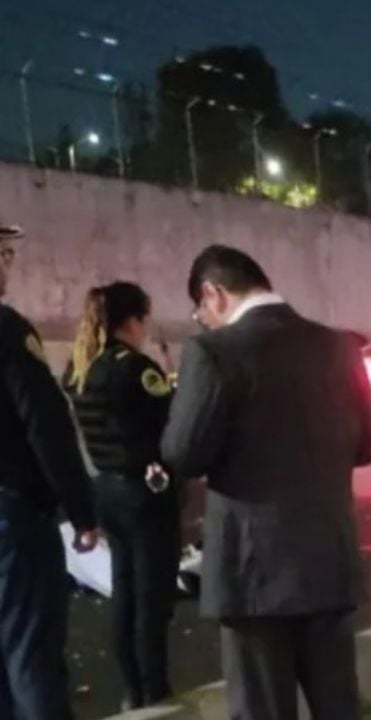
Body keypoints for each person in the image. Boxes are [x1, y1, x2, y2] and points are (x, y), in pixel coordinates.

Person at [160, 245, 371, 720]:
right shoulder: (340, 346)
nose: (204, 323)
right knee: (339, 707)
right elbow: (366, 446)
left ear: (212, 294)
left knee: (261, 710)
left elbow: (184, 452)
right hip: (328, 562)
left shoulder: (213, 353)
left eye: (201, 313)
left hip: (252, 570)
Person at [0, 222, 100, 719]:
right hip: (11, 517)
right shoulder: (7, 330)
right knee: (31, 653)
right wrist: (82, 510)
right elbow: (45, 425)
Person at [66, 282, 179, 710]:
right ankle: (157, 693)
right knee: (152, 601)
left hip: (107, 490)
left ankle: (133, 689)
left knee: (125, 592)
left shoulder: (82, 367)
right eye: (143, 321)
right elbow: (171, 416)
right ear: (132, 321)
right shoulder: (134, 368)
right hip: (144, 495)